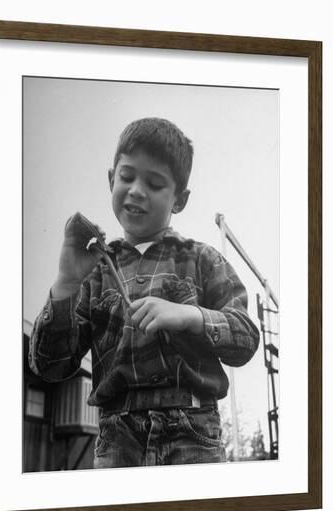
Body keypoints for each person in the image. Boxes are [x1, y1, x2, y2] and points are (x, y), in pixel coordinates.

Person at [29, 117, 260, 468]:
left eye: (154, 183)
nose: (137, 190)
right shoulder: (94, 273)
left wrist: (189, 316)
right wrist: (65, 284)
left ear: (179, 199)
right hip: (116, 440)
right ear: (111, 180)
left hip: (193, 434)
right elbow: (51, 367)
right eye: (127, 177)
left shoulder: (203, 258)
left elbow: (246, 338)